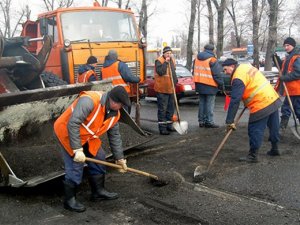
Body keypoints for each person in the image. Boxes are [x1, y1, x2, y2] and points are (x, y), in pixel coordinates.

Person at [54, 86, 130, 212]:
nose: (121, 108)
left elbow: (115, 136)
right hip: (68, 132)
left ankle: (98, 192)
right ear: (113, 101)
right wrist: (77, 149)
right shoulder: (89, 101)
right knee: (76, 164)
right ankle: (69, 201)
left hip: (88, 135)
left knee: (99, 156)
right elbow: (73, 123)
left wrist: (119, 158)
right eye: (120, 105)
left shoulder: (114, 114)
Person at [222, 58, 282, 163]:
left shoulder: (237, 78)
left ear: (232, 66)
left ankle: (253, 156)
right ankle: (275, 148)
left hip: (261, 103)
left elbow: (235, 100)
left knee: (255, 129)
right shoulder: (246, 66)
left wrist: (229, 120)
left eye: (225, 69)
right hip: (272, 98)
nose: (225, 72)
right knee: (274, 126)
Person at [192, 44, 224, 128]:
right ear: (213, 50)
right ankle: (209, 121)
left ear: (204, 49)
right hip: (210, 85)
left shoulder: (196, 59)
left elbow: (194, 71)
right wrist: (221, 84)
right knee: (209, 104)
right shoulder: (212, 59)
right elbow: (217, 74)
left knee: (202, 103)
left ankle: (201, 121)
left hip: (199, 84)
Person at [275, 37, 300, 129]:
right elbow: (284, 67)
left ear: (293, 45)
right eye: (285, 46)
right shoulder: (289, 57)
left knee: (293, 109)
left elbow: (298, 73)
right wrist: (276, 59)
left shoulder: (296, 57)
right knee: (287, 108)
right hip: (291, 90)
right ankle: (282, 127)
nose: (286, 47)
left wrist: (284, 78)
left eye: (288, 45)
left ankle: (282, 127)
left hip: (296, 90)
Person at [154, 46, 178, 135]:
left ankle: (169, 125)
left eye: (170, 53)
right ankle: (162, 128)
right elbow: (161, 72)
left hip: (170, 88)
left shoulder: (172, 60)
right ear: (163, 53)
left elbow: (173, 72)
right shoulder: (159, 61)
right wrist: (166, 62)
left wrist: (175, 82)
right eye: (167, 53)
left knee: (170, 109)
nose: (169, 55)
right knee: (162, 109)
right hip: (162, 89)